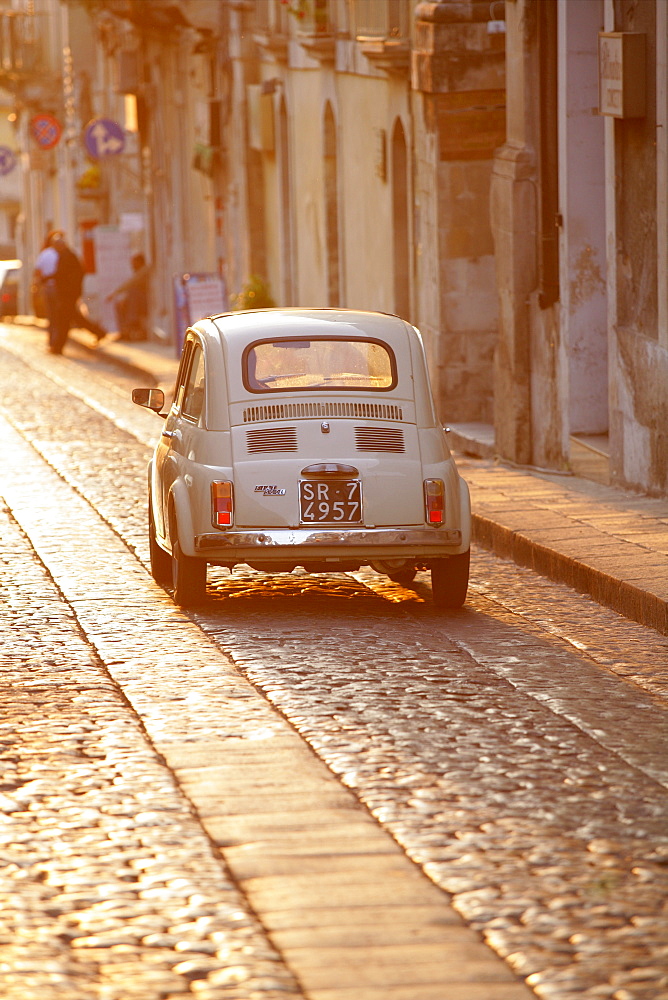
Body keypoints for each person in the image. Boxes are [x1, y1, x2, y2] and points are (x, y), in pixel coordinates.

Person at [106, 253, 149, 341]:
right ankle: (124, 331)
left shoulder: (143, 271)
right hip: (135, 302)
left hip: (143, 303)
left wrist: (115, 293)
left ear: (139, 262)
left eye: (134, 263)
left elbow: (130, 283)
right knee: (120, 304)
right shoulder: (137, 272)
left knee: (133, 293)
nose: (132, 265)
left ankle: (131, 325)